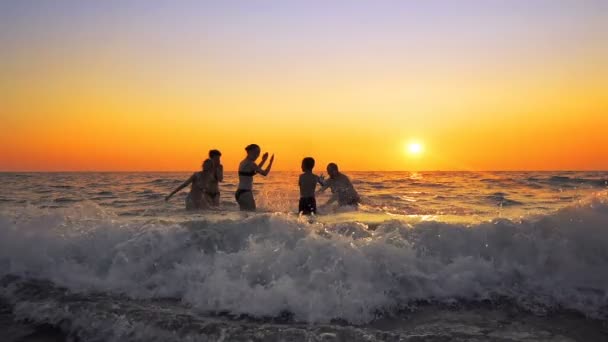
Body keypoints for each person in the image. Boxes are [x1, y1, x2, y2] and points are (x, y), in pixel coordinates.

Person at [236, 144, 275, 211]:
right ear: (250, 152)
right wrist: (270, 162)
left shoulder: (243, 162)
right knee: (251, 214)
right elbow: (265, 173)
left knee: (244, 216)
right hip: (246, 193)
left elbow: (254, 171)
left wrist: (264, 160)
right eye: (256, 152)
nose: (258, 155)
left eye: (259, 153)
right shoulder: (250, 163)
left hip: (239, 193)